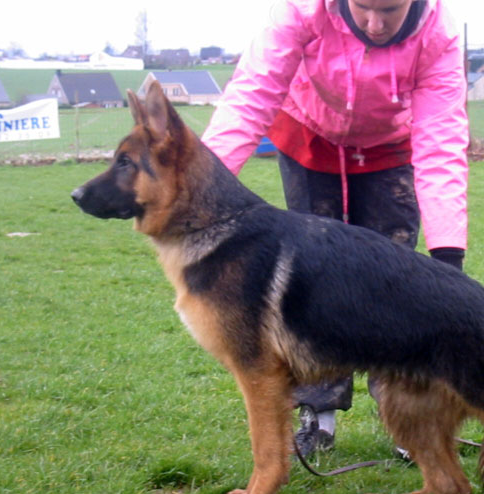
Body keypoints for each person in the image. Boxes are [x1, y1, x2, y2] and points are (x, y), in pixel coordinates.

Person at [201, 0, 469, 457]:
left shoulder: (438, 32)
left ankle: (412, 419)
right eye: (364, 8)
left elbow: (441, 137)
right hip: (309, 141)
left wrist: (448, 253)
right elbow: (252, 95)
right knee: (313, 290)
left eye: (390, 10)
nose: (375, 23)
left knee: (395, 289)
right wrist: (200, 191)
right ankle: (317, 414)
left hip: (388, 151)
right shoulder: (301, 10)